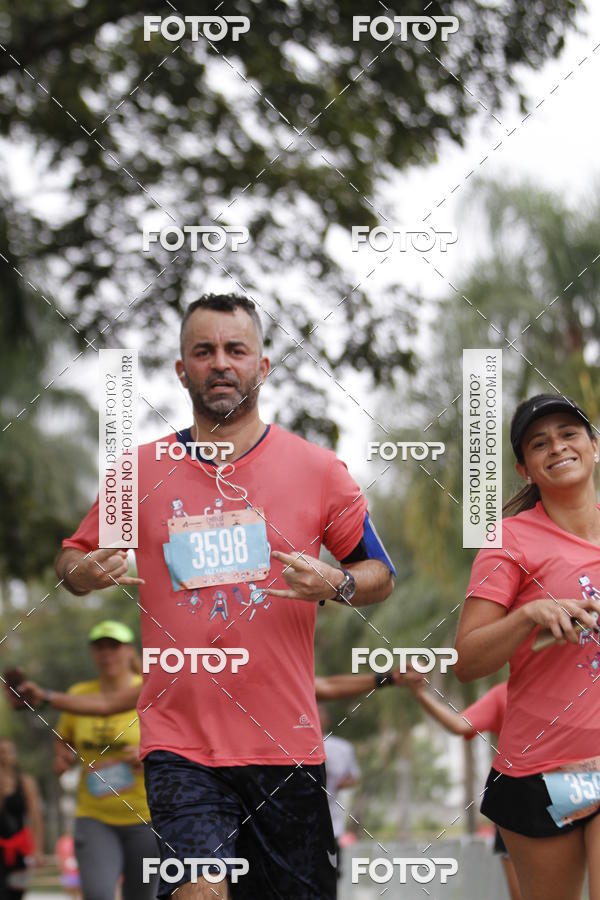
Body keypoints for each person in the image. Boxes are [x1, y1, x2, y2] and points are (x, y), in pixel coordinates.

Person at [53, 293, 396, 899]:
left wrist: (337, 583)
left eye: (236, 349)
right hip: (180, 743)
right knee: (199, 891)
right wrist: (82, 574)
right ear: (181, 370)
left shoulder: (318, 470)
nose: (220, 363)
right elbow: (73, 557)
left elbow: (379, 573)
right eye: (203, 351)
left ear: (262, 367)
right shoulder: (139, 471)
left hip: (285, 743)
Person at [454, 394, 600, 900]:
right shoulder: (509, 541)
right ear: (526, 468)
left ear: (594, 445)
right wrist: (528, 615)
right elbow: (468, 661)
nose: (557, 447)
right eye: (540, 443)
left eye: (569, 433)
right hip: (542, 770)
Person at [54, 620, 158, 900]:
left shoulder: (149, 689)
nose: (106, 653)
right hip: (94, 815)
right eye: (99, 647)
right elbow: (64, 737)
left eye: (114, 646)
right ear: (92, 654)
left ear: (129, 651)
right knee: (98, 894)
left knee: (142, 896)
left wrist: (148, 754)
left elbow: (177, 739)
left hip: (145, 816)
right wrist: (62, 753)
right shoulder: (79, 695)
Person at [404, 676, 522, 900]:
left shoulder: (583, 686)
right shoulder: (504, 693)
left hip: (575, 797)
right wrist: (421, 695)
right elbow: (460, 724)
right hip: (517, 805)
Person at [317, 705, 360, 882]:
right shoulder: (292, 747)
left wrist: (334, 783)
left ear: (327, 720)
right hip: (298, 825)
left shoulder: (341, 747)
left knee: (330, 876)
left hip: (332, 826)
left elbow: (354, 777)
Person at [0, 739, 43, 900]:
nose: (4, 756)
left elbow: (36, 817)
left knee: (16, 892)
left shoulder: (25, 782)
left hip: (18, 850)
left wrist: (37, 849)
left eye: (8, 751)